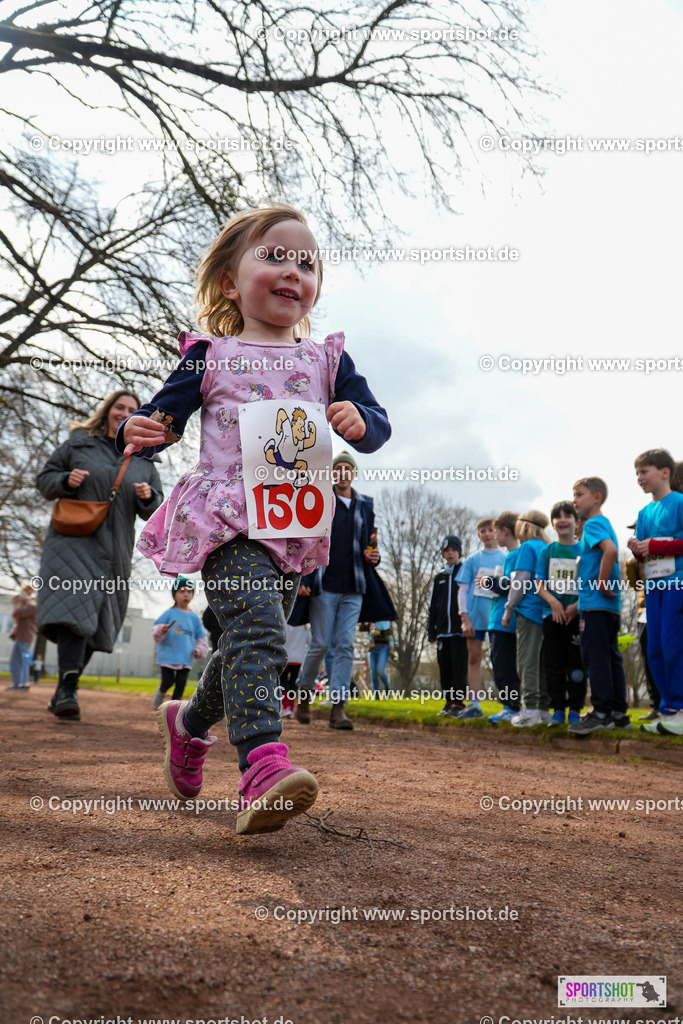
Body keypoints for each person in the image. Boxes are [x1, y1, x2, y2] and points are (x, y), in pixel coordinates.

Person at [119, 204, 391, 835]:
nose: (294, 270)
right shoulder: (208, 354)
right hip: (225, 518)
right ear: (229, 284)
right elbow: (162, 421)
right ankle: (262, 765)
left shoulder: (327, 362)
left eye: (308, 262)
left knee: (249, 635)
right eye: (274, 256)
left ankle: (187, 727)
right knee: (261, 626)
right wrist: (141, 432)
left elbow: (376, 422)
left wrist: (359, 422)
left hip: (290, 523)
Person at [36, 390, 164, 720]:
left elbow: (156, 509)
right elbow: (45, 480)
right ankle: (67, 690)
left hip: (115, 548)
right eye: (119, 407)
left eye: (132, 410)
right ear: (107, 411)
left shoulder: (145, 459)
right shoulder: (79, 443)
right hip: (71, 541)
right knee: (75, 614)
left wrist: (148, 497)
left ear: (142, 416)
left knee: (99, 624)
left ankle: (67, 685)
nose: (124, 412)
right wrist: (65, 479)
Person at [295, 451, 395, 730]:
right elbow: (308, 539)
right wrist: (304, 575)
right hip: (324, 584)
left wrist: (374, 556)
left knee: (346, 644)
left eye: (346, 468)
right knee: (321, 643)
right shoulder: (320, 499)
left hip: (355, 585)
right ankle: (303, 692)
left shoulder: (365, 504)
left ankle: (338, 707)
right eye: (336, 468)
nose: (342, 473)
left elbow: (369, 543)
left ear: (353, 473)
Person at [628, 450, 683, 736]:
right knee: (656, 649)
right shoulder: (643, 513)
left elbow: (664, 545)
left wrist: (656, 546)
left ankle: (680, 708)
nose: (639, 478)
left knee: (674, 645)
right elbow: (645, 553)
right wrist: (637, 550)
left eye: (644, 472)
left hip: (677, 585)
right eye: (637, 473)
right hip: (653, 586)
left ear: (665, 472)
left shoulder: (680, 503)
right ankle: (668, 709)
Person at [569, 476, 630, 734]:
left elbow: (611, 552)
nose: (574, 501)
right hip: (609, 607)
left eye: (579, 495)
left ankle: (601, 711)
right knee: (611, 657)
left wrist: (602, 583)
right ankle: (618, 713)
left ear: (596, 497)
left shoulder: (593, 523)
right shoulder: (605, 523)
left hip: (595, 605)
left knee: (596, 658)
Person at [535, 501, 585, 727]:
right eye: (558, 517)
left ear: (577, 522)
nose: (563, 520)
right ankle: (557, 710)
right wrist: (553, 602)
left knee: (576, 664)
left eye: (568, 516)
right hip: (552, 616)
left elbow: (590, 583)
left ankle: (575, 709)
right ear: (553, 524)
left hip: (577, 616)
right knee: (553, 664)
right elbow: (539, 583)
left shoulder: (585, 550)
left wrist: (576, 607)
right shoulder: (547, 551)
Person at [502, 511, 551, 727]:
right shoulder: (547, 547)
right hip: (547, 611)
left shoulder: (528, 547)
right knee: (541, 662)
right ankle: (542, 709)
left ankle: (529, 710)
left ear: (526, 527)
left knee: (527, 662)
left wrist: (509, 608)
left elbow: (520, 581)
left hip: (529, 612)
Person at [475, 512, 522, 724]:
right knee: (500, 665)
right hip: (499, 619)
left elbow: (510, 586)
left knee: (504, 667)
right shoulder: (514, 555)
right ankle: (511, 705)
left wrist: (489, 582)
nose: (493, 535)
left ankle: (511, 706)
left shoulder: (515, 555)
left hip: (506, 622)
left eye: (495, 530)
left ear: (504, 531)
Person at [456, 518, 505, 718]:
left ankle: (508, 704)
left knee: (500, 659)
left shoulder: (506, 557)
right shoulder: (472, 560)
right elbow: (463, 590)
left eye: (490, 530)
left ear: (498, 532)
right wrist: (464, 618)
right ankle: (475, 702)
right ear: (478, 535)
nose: (487, 534)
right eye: (483, 531)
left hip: (497, 616)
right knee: (474, 657)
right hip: (475, 616)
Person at [151, 577, 208, 709]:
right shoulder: (169, 613)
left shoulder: (194, 617)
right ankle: (159, 697)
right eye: (182, 591)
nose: (186, 594)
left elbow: (201, 637)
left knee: (181, 684)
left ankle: (173, 709)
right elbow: (155, 628)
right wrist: (161, 629)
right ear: (174, 595)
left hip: (185, 657)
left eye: (189, 591)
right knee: (167, 681)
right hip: (167, 656)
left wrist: (199, 649)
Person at [427, 535, 467, 717]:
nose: (450, 554)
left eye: (453, 550)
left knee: (458, 666)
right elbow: (433, 605)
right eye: (447, 551)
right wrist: (431, 630)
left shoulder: (465, 573)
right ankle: (448, 701)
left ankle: (459, 702)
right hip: (442, 631)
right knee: (444, 668)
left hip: (460, 631)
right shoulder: (439, 578)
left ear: (459, 552)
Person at [280, 621, 310, 718]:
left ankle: (286, 707)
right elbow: (310, 641)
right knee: (293, 683)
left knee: (283, 682)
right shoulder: (305, 626)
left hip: (286, 657)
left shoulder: (286, 622)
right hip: (298, 658)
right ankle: (291, 709)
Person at [9, 584, 37, 690]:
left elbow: (16, 613)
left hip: (25, 636)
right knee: (20, 660)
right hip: (23, 636)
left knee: (19, 660)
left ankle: (20, 683)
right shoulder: (30, 606)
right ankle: (21, 683)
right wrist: (21, 599)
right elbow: (14, 601)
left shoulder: (32, 607)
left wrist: (22, 601)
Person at [368, 620, 394, 698]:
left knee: (380, 670)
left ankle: (387, 687)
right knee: (373, 672)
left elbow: (390, 636)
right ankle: (376, 694)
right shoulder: (372, 619)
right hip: (373, 648)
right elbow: (369, 632)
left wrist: (391, 648)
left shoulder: (387, 621)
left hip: (384, 647)